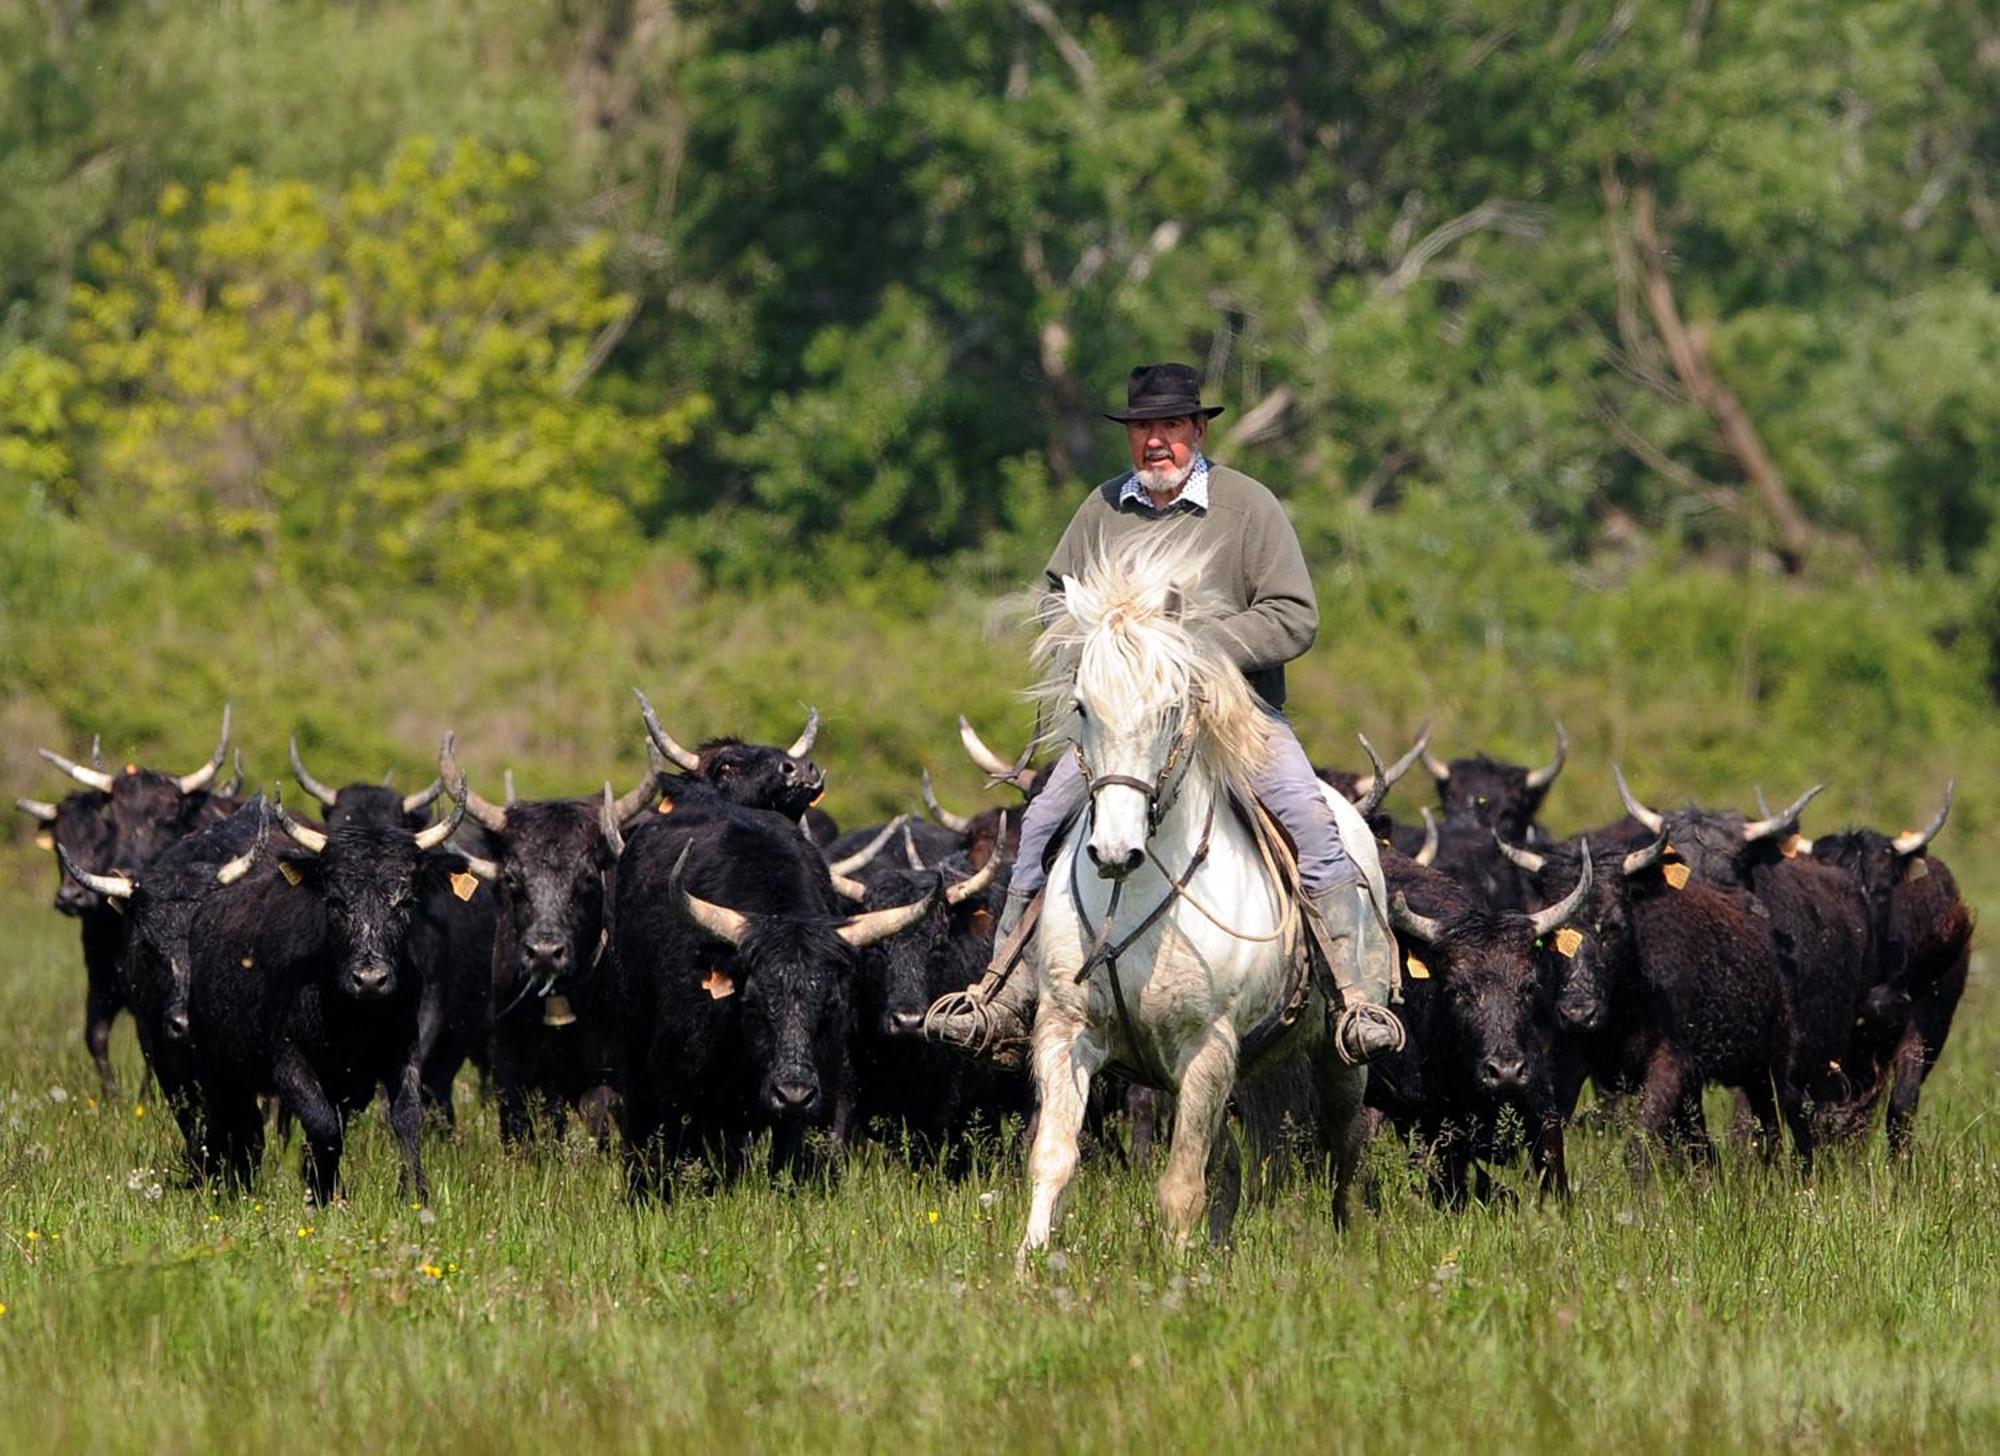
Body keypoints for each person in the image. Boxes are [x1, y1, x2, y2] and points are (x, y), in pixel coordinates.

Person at [925, 362, 1404, 1066]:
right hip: (1126, 728)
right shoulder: (1100, 508)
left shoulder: (1249, 505)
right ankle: (1004, 995)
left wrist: (1192, 648)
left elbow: (1295, 616)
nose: (1156, 442)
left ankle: (1356, 999)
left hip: (1237, 715)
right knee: (1040, 826)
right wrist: (1103, 645)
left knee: (1313, 820)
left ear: (1198, 431)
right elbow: (1056, 596)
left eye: (1171, 427)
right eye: (1144, 427)